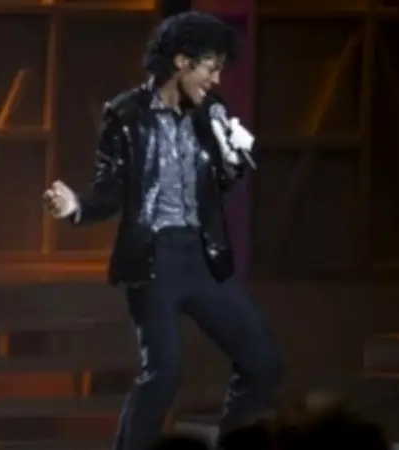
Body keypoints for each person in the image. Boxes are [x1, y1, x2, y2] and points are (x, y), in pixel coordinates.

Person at [42, 11, 283, 450]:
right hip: (154, 260)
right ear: (182, 61)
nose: (216, 79)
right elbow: (111, 188)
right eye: (210, 67)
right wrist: (77, 206)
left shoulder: (212, 112)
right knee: (164, 372)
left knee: (262, 362)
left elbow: (219, 184)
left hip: (204, 256)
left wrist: (231, 162)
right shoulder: (126, 114)